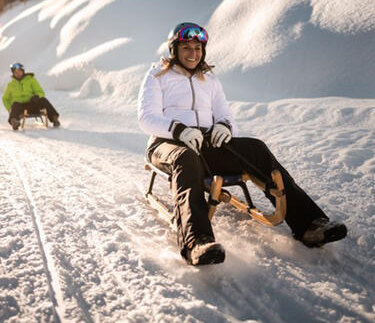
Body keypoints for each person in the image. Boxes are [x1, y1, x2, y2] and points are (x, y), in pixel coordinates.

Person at [137, 22, 346, 266]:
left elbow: (226, 115)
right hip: (166, 143)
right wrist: (178, 130)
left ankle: (310, 224)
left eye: (198, 48)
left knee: (255, 148)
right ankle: (197, 242)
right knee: (186, 159)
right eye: (186, 48)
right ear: (174, 49)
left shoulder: (210, 79)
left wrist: (224, 127)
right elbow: (146, 118)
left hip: (203, 143)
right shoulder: (157, 75)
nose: (193, 54)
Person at [3, 62, 61, 129]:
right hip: (20, 108)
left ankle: (54, 118)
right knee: (15, 104)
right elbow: (5, 99)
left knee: (43, 100)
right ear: (13, 74)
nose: (18, 73)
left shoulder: (31, 80)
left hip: (32, 104)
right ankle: (14, 122)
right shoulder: (10, 85)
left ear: (22, 71)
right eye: (15, 72)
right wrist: (10, 109)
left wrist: (37, 96)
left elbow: (41, 92)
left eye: (19, 71)